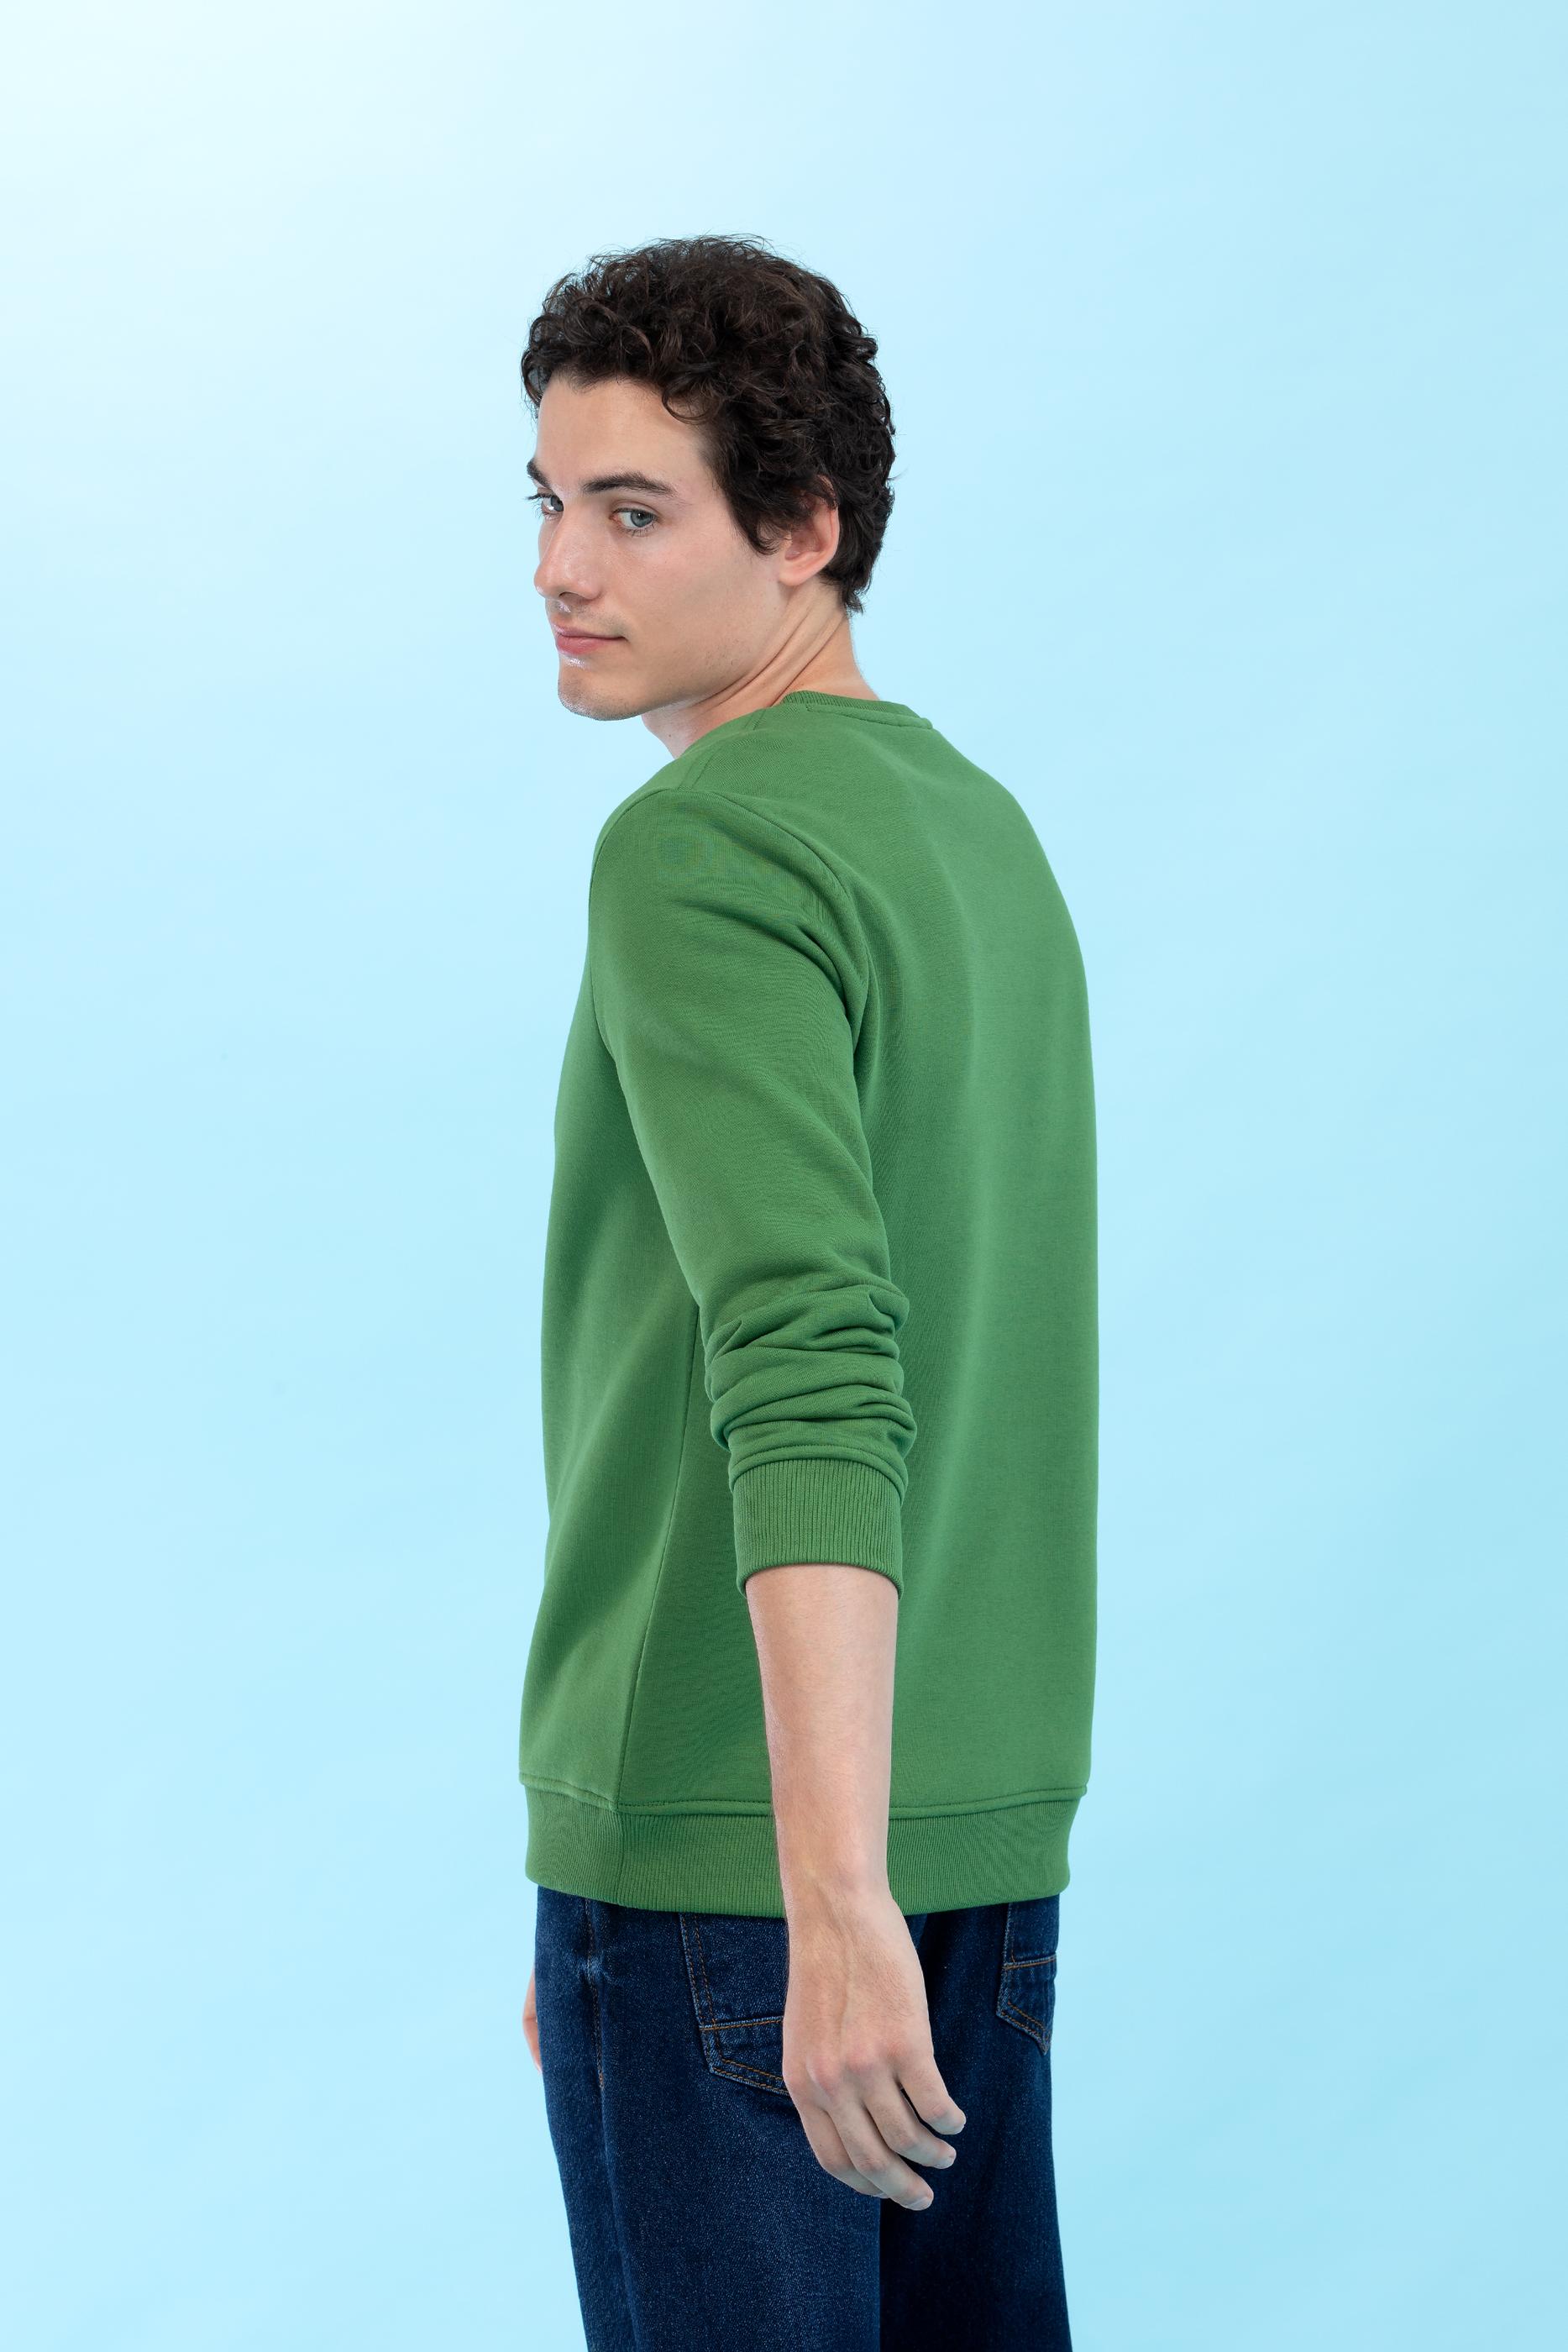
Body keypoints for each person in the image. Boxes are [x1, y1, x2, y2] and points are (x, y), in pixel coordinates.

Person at [512, 234, 1097, 2350]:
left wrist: (800, 1895)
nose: (561, 567)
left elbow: (814, 1358)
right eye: (547, 502)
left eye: (632, 510)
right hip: (973, 1846)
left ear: (804, 530)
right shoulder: (976, 832)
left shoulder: (701, 846)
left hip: (757, 1861)